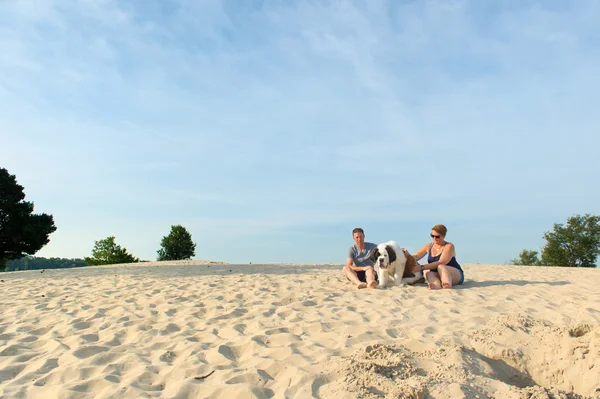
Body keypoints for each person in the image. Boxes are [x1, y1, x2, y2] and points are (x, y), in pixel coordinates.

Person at [410, 224, 464, 290]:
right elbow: (416, 256)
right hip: (437, 274)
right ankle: (436, 285)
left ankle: (447, 284)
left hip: (453, 274)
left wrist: (422, 267)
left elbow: (442, 262)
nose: (434, 238)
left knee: (441, 266)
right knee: (429, 273)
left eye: (437, 236)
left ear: (443, 236)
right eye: (432, 236)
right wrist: (405, 255)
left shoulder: (449, 246)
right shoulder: (428, 246)